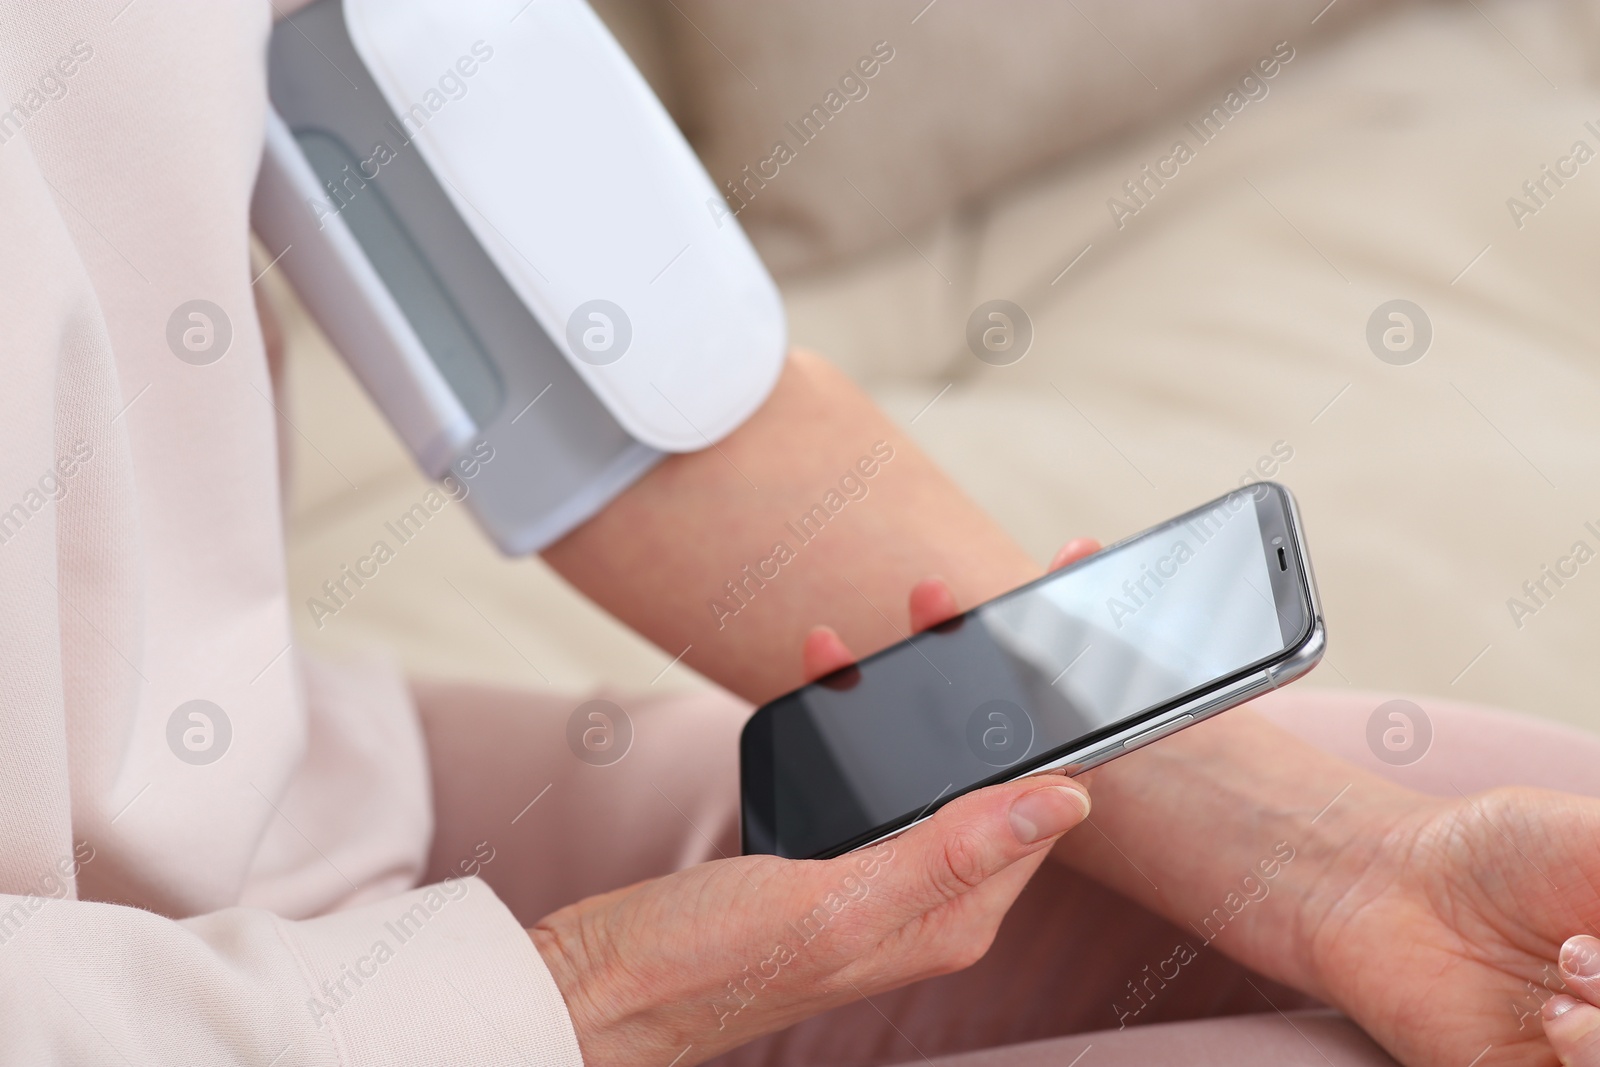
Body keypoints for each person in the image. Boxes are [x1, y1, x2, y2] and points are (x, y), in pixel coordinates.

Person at [2, 4, 1598, 1066]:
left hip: (300, 805)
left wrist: (1342, 865)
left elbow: (614, 373)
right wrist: (594, 993)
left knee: (1516, 896)